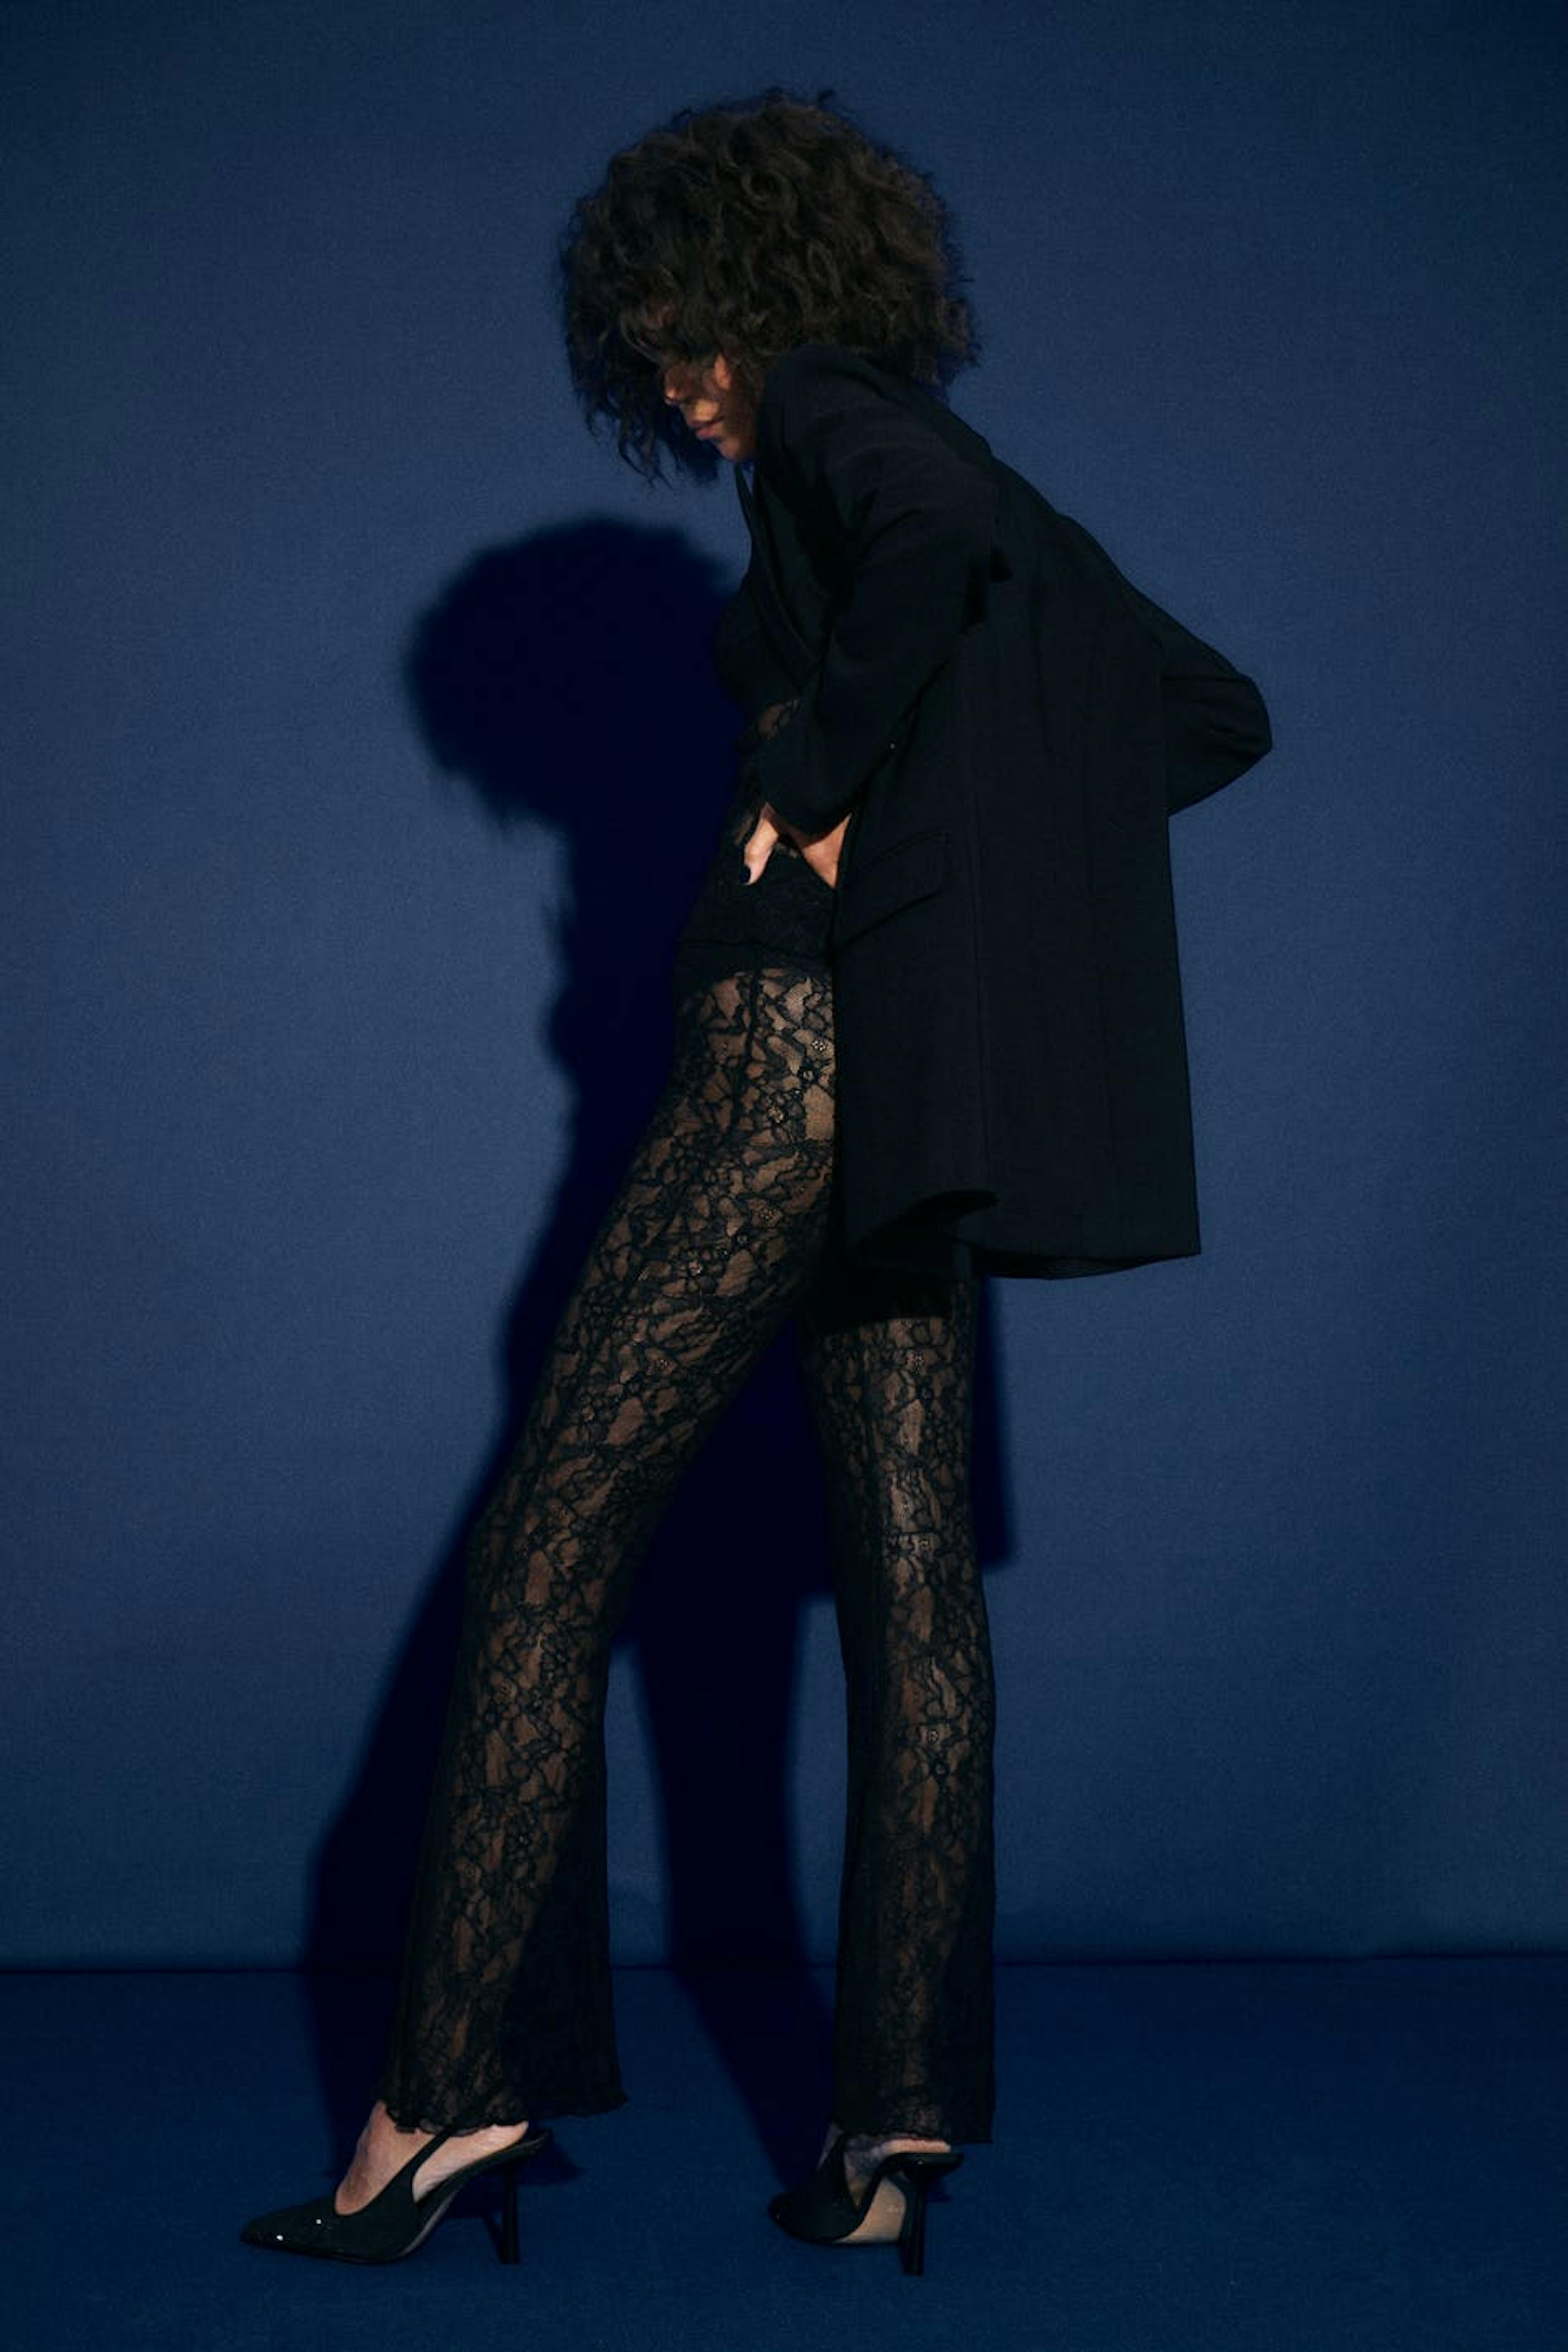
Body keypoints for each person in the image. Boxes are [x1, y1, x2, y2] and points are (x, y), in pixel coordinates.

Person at [239, 85, 1271, 2278]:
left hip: (785, 1069)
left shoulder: (833, 418)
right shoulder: (950, 473)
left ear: (760, 298)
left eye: (685, 335)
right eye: (656, 355)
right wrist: (951, 864)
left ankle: (446, 2096)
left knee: (546, 1549)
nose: (682, 385)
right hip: (900, 1096)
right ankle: (897, 2126)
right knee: (913, 1595)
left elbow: (951, 565)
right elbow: (1202, 710)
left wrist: (811, 783)